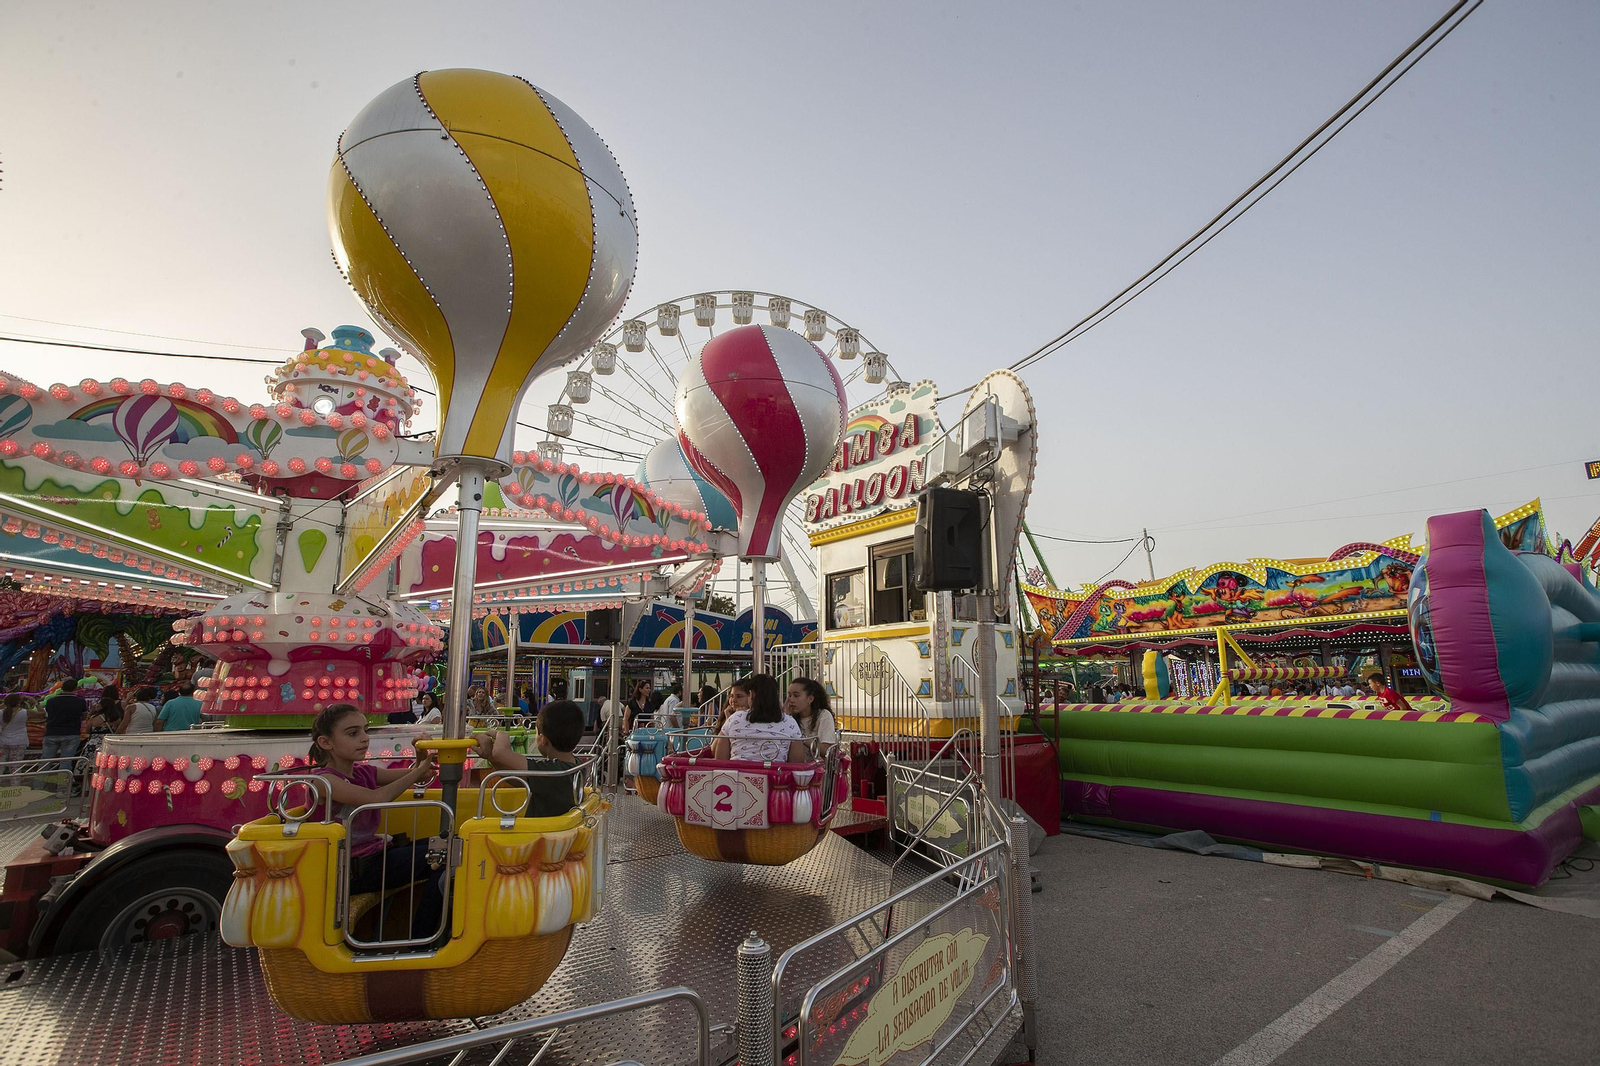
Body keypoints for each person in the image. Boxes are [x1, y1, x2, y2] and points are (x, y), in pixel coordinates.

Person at [306, 704, 442, 937]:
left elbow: (419, 774)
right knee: (445, 856)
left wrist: (421, 753)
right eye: (353, 733)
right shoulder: (323, 781)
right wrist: (419, 771)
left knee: (449, 844)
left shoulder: (363, 772)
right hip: (348, 869)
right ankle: (423, 937)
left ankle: (430, 932)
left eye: (364, 731)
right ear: (325, 743)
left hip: (374, 857)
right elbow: (377, 798)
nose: (364, 739)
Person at [472, 699, 585, 818]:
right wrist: (491, 757)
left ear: (543, 740)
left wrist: (500, 735)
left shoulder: (554, 772)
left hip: (540, 834)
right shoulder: (574, 766)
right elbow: (518, 780)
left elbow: (501, 752)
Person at [713, 674, 806, 763]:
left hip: (738, 776)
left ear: (751, 694)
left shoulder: (734, 718)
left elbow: (720, 759)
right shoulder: (790, 723)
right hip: (776, 777)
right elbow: (796, 763)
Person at [42, 678, 88, 773]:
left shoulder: (51, 701)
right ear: (75, 688)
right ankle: (63, 787)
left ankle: (39, 785)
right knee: (66, 762)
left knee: (45, 761)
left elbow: (47, 715)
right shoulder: (80, 702)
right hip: (71, 733)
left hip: (51, 732)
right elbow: (84, 717)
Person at [786, 677, 838, 754]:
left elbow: (826, 750)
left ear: (810, 699)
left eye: (796, 696)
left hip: (816, 764)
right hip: (795, 764)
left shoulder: (823, 716)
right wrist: (785, 718)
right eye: (789, 696)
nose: (791, 700)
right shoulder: (789, 718)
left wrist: (800, 736)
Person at [1, 693, 29, 782]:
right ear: (18, 702)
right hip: (19, 742)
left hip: (3, 742)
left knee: (1, 765)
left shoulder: (1, 712)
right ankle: (14, 789)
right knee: (15, 767)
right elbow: (42, 713)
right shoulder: (25, 712)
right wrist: (35, 702)